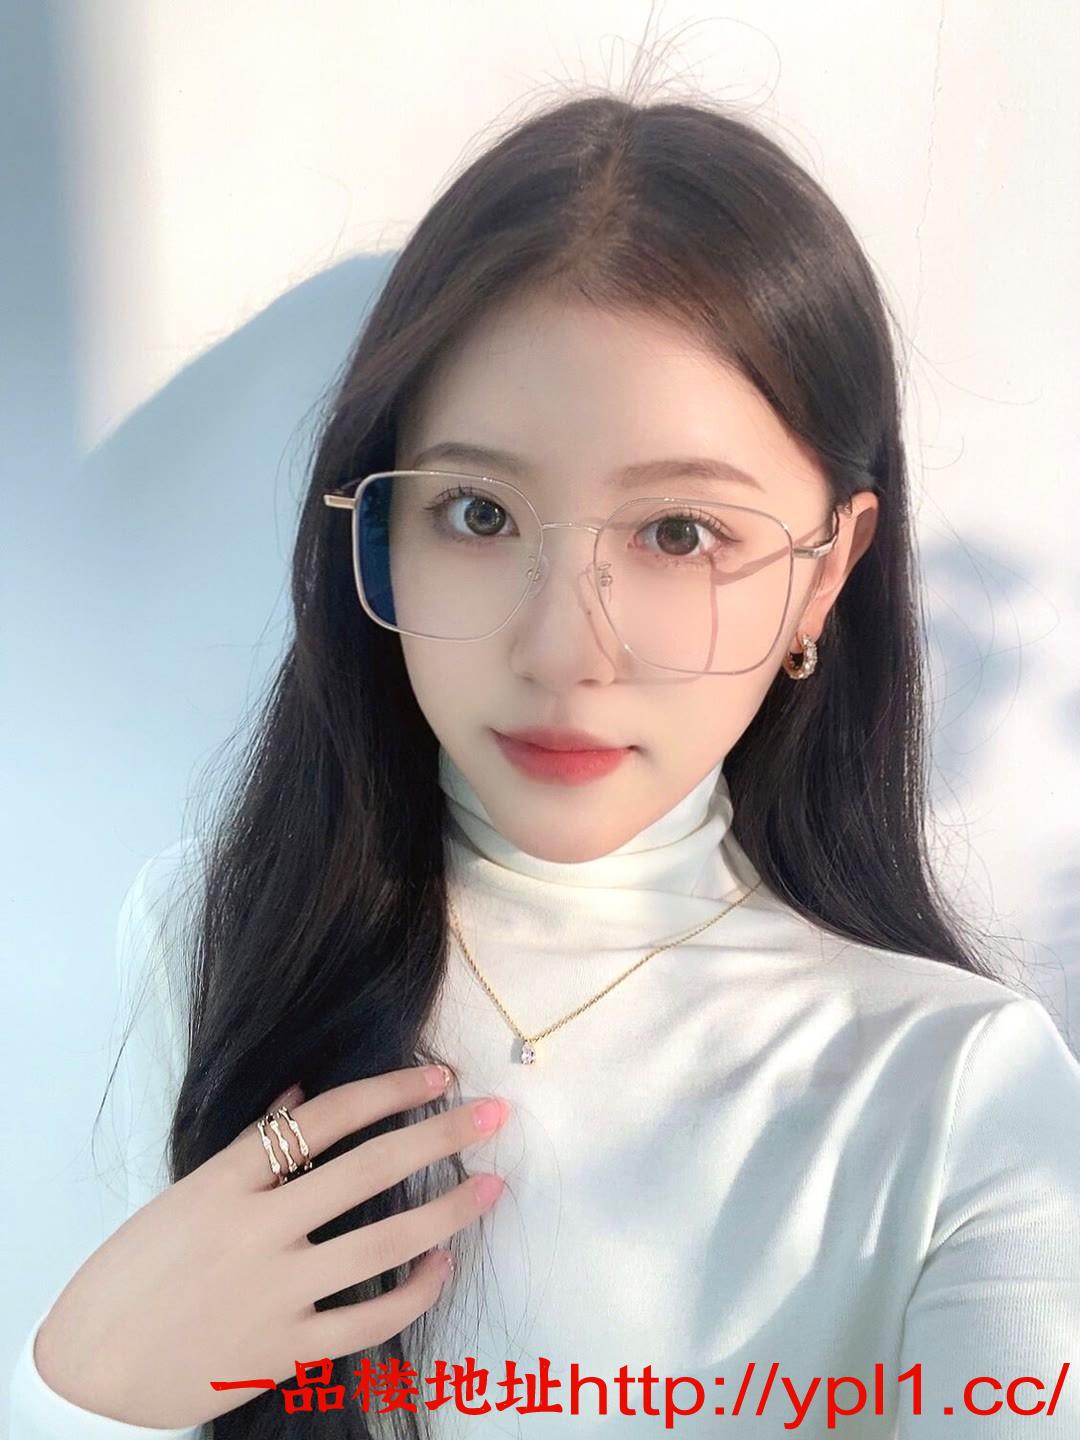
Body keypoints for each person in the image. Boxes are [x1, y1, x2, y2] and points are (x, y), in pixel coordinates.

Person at [9, 87, 1080, 1440]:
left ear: (827, 574)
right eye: (478, 513)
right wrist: (81, 1396)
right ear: (377, 530)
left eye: (680, 534)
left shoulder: (964, 1094)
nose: (564, 650)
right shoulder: (219, 936)